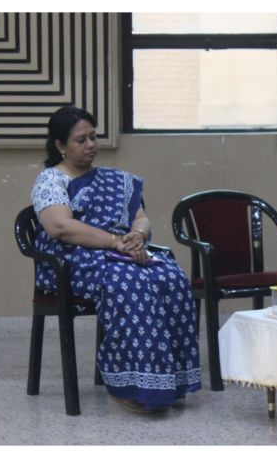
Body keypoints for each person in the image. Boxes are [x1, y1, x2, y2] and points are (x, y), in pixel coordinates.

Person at [31, 105, 201, 412]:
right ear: (60, 146)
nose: (91, 144)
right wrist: (114, 241)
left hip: (121, 252)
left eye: (93, 137)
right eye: (81, 140)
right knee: (129, 282)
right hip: (74, 260)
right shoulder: (51, 181)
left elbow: (140, 218)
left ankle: (168, 380)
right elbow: (60, 227)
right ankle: (129, 384)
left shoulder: (117, 180)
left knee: (171, 276)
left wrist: (137, 235)